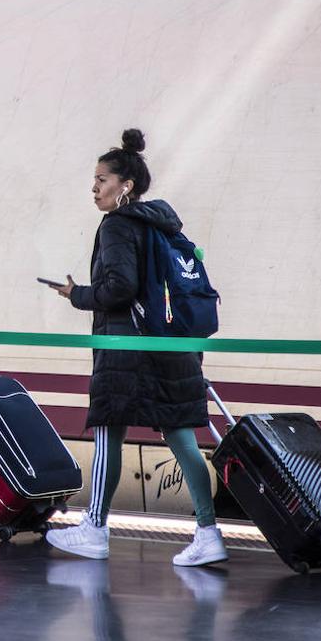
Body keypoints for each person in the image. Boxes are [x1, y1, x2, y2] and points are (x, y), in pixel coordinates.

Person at [45, 129, 226, 564]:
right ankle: (208, 532)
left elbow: (120, 288)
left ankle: (94, 527)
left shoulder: (117, 225)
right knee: (181, 434)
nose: (94, 187)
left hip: (127, 347)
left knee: (109, 429)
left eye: (101, 179)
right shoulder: (162, 225)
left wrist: (78, 295)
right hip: (172, 343)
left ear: (125, 186)